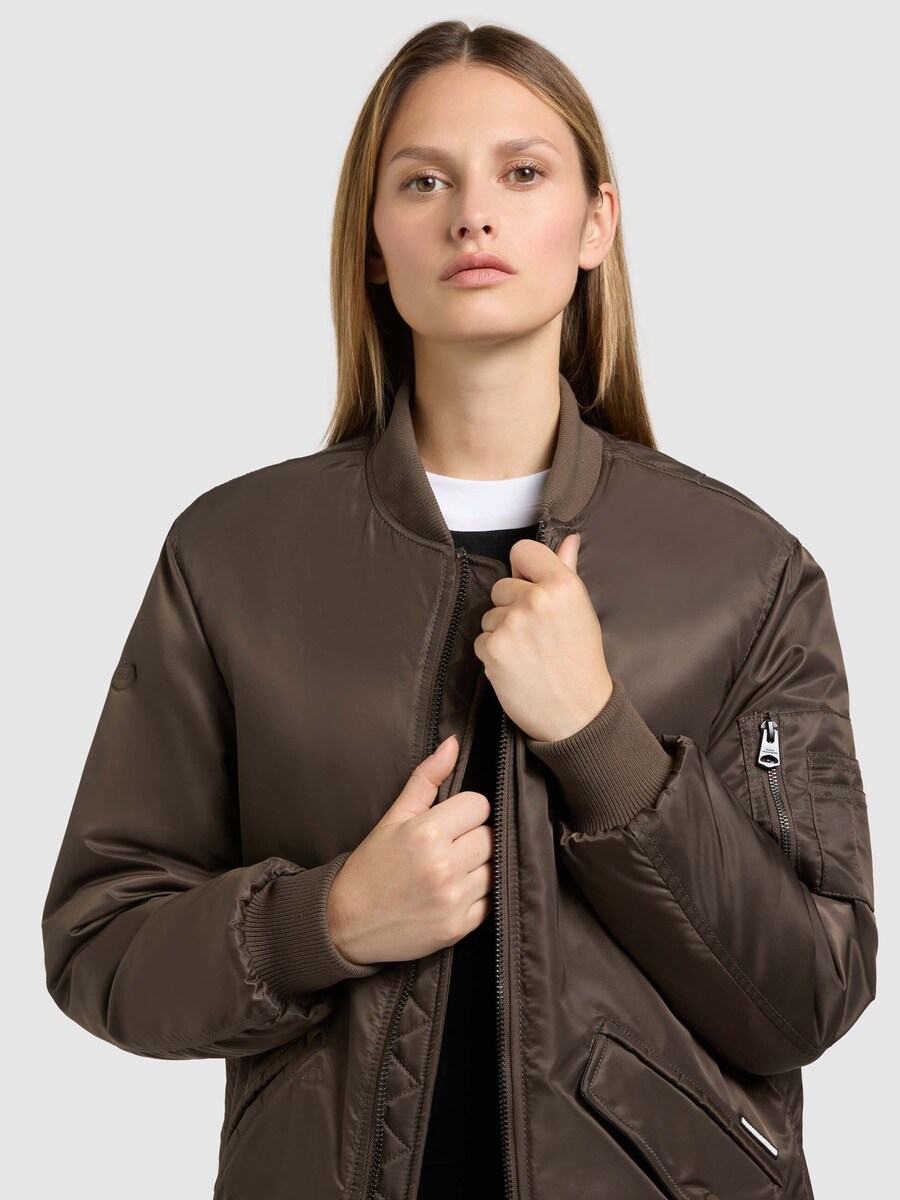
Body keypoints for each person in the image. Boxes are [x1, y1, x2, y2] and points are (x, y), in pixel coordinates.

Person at [41, 19, 878, 1200]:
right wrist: (325, 920)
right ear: (375, 245)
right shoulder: (234, 558)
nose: (471, 215)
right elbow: (101, 943)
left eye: (522, 173)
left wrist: (601, 739)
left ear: (596, 223)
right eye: (424, 181)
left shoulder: (745, 573)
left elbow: (808, 996)